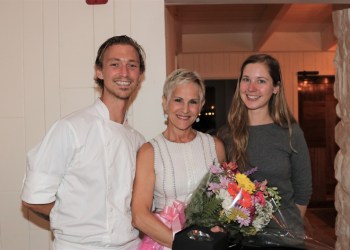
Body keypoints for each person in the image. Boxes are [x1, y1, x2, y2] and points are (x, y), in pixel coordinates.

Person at [21, 35, 146, 250]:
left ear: (139, 75)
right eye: (115, 64)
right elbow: (34, 197)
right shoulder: (70, 128)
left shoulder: (137, 140)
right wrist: (76, 222)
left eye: (132, 65)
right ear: (99, 71)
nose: (124, 73)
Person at [218, 54, 312, 249]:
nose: (251, 88)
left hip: (285, 240)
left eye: (261, 81)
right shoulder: (226, 134)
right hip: (239, 241)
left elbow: (303, 191)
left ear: (276, 87)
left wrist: (286, 229)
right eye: (246, 79)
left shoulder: (290, 133)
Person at [131, 69, 226, 248]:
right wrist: (184, 244)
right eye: (178, 100)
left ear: (201, 105)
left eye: (193, 102)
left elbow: (224, 202)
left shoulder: (215, 146)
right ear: (165, 102)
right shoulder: (150, 152)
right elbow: (139, 216)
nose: (185, 109)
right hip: (165, 244)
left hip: (207, 243)